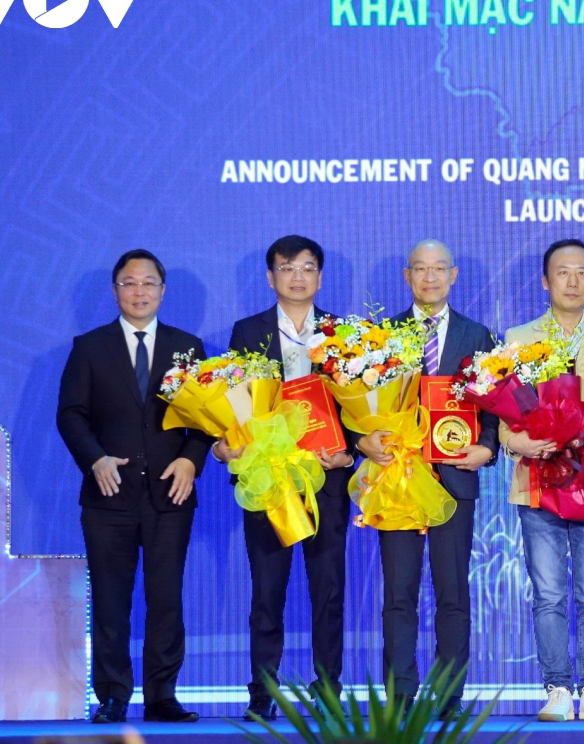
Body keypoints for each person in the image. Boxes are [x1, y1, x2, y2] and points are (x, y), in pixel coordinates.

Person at [57, 249, 212, 724]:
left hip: (170, 494)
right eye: (129, 282)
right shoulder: (90, 347)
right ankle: (112, 696)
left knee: (166, 599)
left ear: (163, 291)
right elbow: (70, 415)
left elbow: (208, 417)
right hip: (108, 496)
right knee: (110, 599)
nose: (139, 291)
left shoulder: (188, 347)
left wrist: (190, 460)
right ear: (115, 291)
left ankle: (162, 696)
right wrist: (95, 459)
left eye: (148, 283)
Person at [211, 235, 356, 721]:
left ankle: (328, 687)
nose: (298, 277)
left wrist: (349, 453)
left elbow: (360, 408)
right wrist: (226, 446)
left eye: (308, 268)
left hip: (325, 479)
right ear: (270, 277)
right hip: (269, 479)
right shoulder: (247, 331)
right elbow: (235, 402)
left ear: (320, 277)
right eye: (287, 268)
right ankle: (263, 690)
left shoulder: (341, 333)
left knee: (328, 591)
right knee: (267, 592)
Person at [356, 239, 499, 719]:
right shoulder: (382, 337)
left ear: (453, 275)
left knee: (453, 594)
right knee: (398, 595)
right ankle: (400, 694)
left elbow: (494, 405)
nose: (430, 277)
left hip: (454, 480)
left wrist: (488, 448)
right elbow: (356, 406)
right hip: (398, 478)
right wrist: (362, 440)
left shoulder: (479, 335)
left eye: (439, 269)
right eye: (421, 269)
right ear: (407, 276)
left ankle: (449, 695)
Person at [501, 240, 584, 722]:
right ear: (545, 281)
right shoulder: (518, 337)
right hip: (537, 480)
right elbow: (502, 410)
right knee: (549, 594)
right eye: (562, 272)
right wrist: (519, 442)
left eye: (581, 273)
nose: (572, 282)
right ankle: (557, 687)